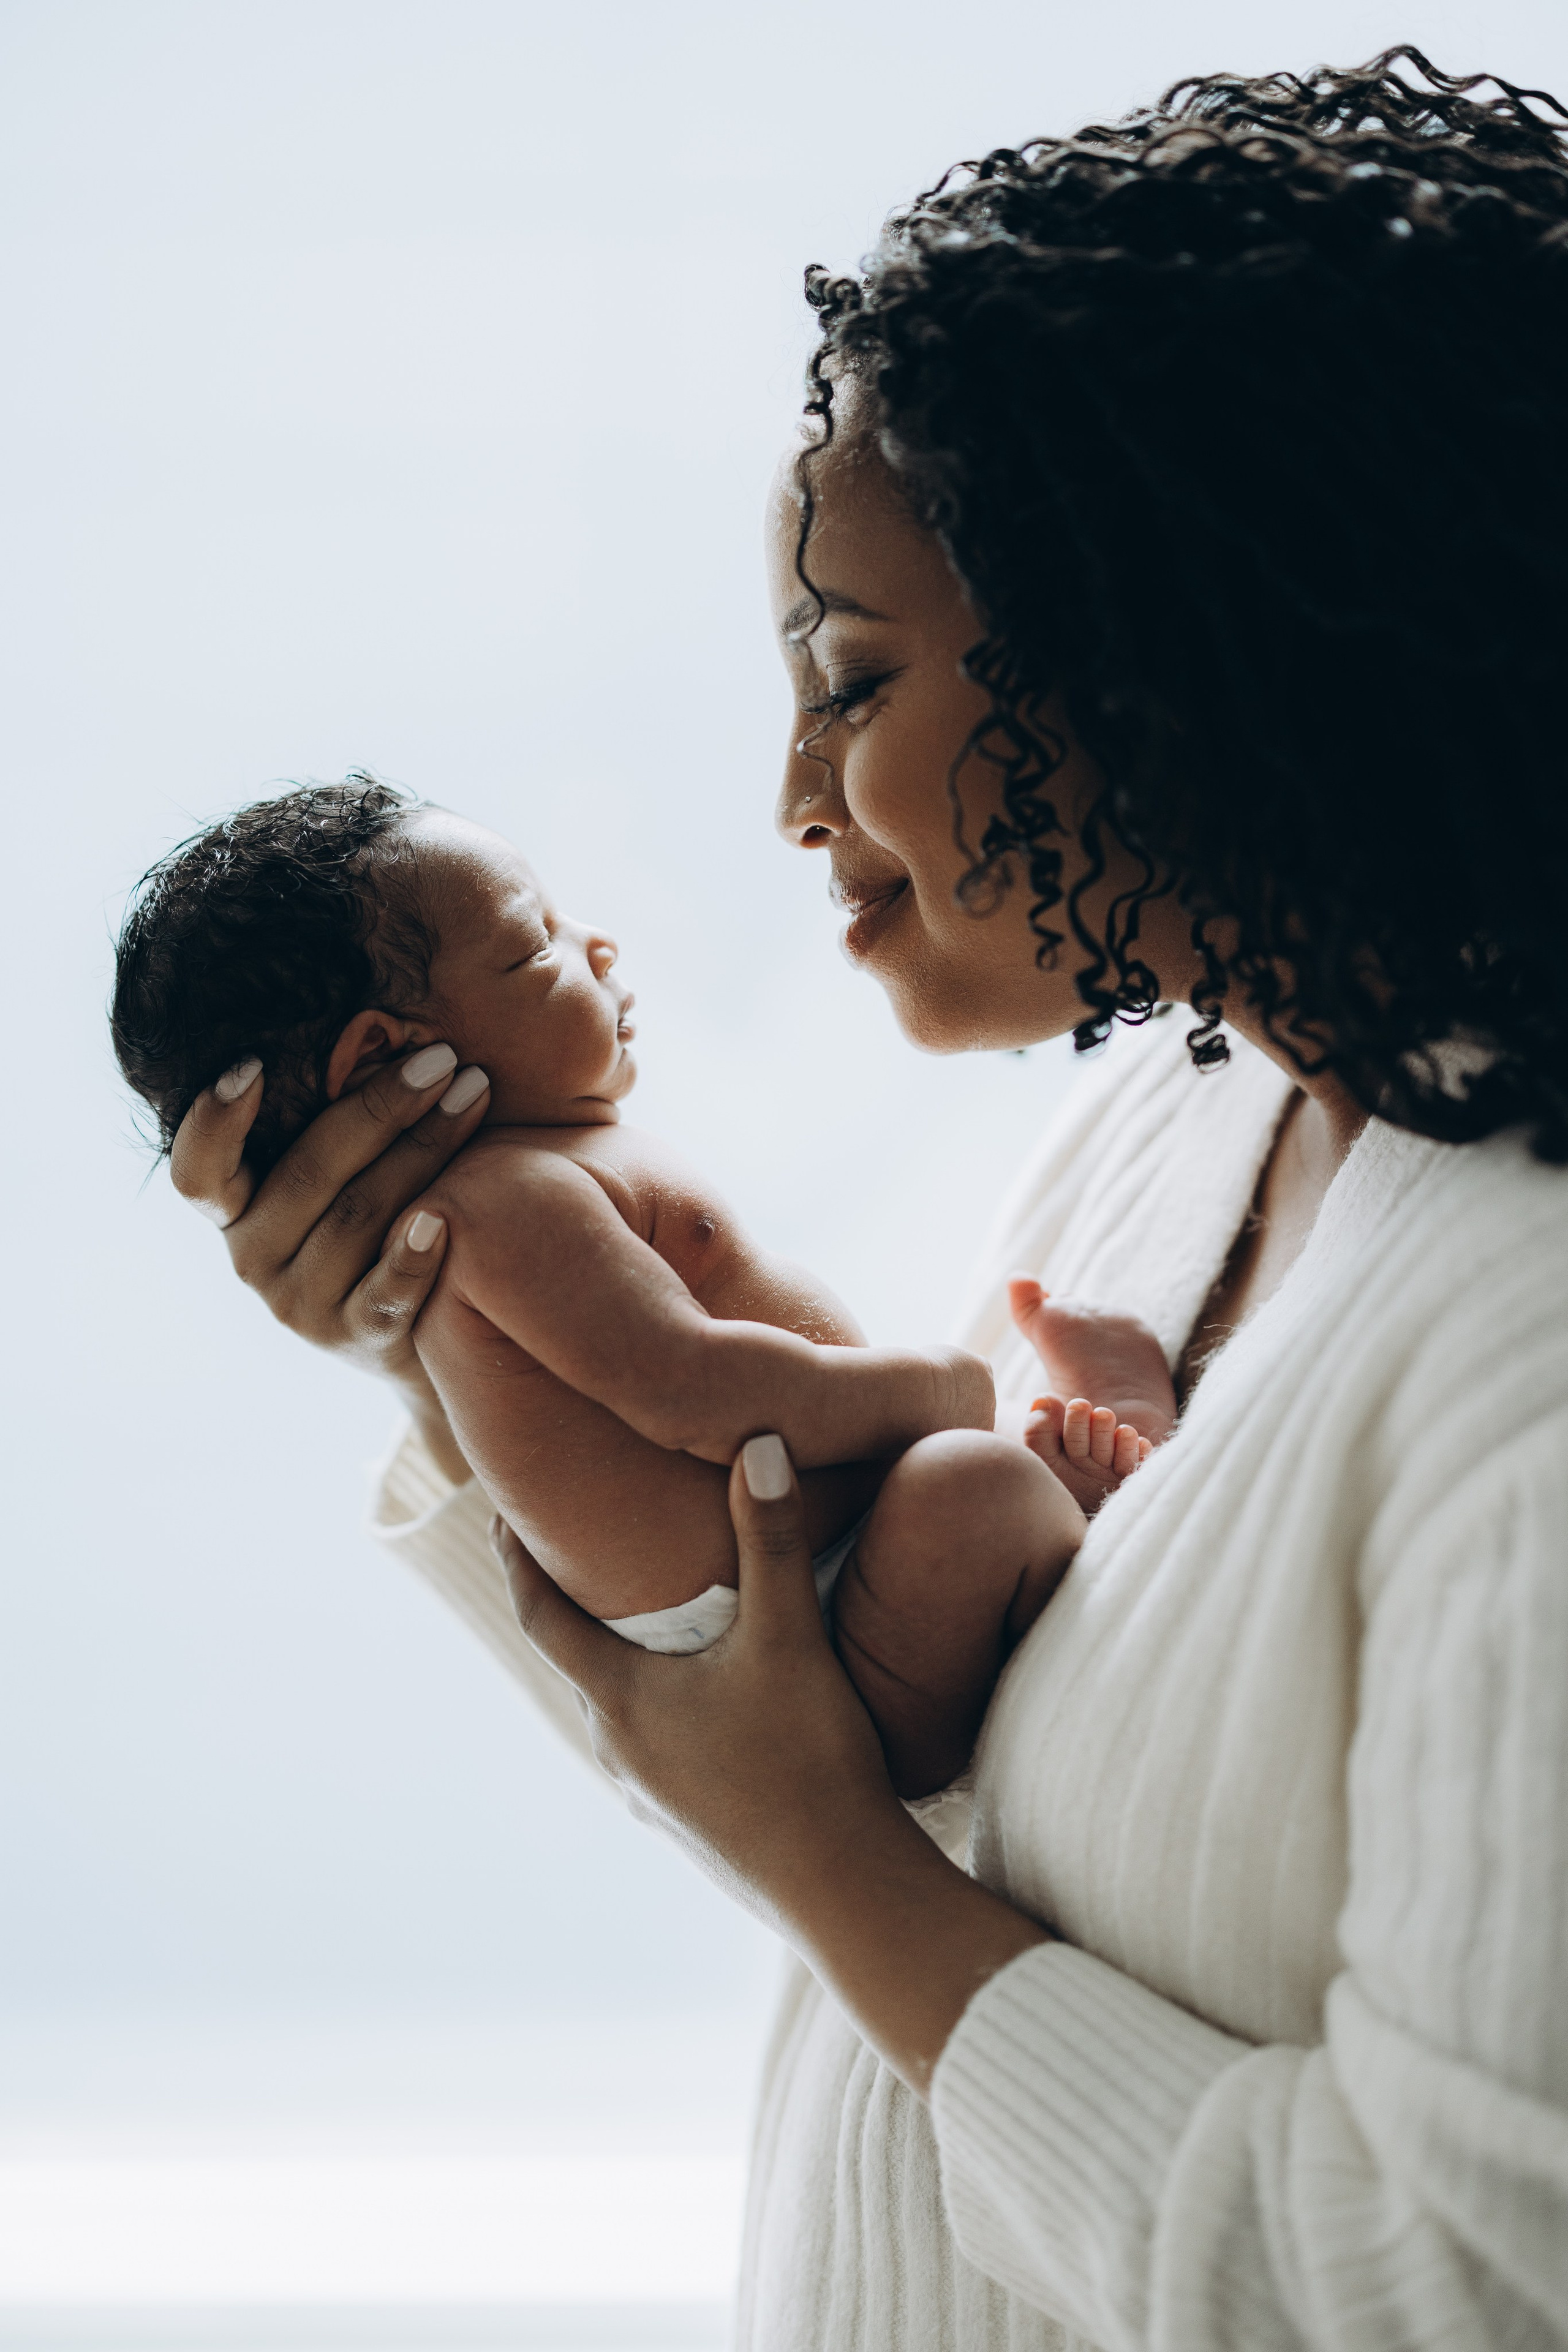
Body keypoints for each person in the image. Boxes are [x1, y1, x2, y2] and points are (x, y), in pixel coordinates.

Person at [161, 51, 1568, 2351]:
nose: (799, 792)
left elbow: (1458, 2295)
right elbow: (894, 1772)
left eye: (856, 676)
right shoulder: (1170, 1138)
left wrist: (816, 1855)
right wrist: (442, 1340)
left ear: (1180, 642)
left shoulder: (1535, 1348)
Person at [111, 780, 1164, 1796]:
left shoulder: (531, 1187)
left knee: (976, 1498)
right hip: (804, 1638)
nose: (596, 945)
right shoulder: (507, 1205)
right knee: (975, 1492)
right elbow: (694, 1392)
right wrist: (930, 1389)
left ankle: (1083, 1489)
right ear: (391, 1056)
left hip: (825, 1578)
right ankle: (1121, 1467)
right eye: (534, 946)